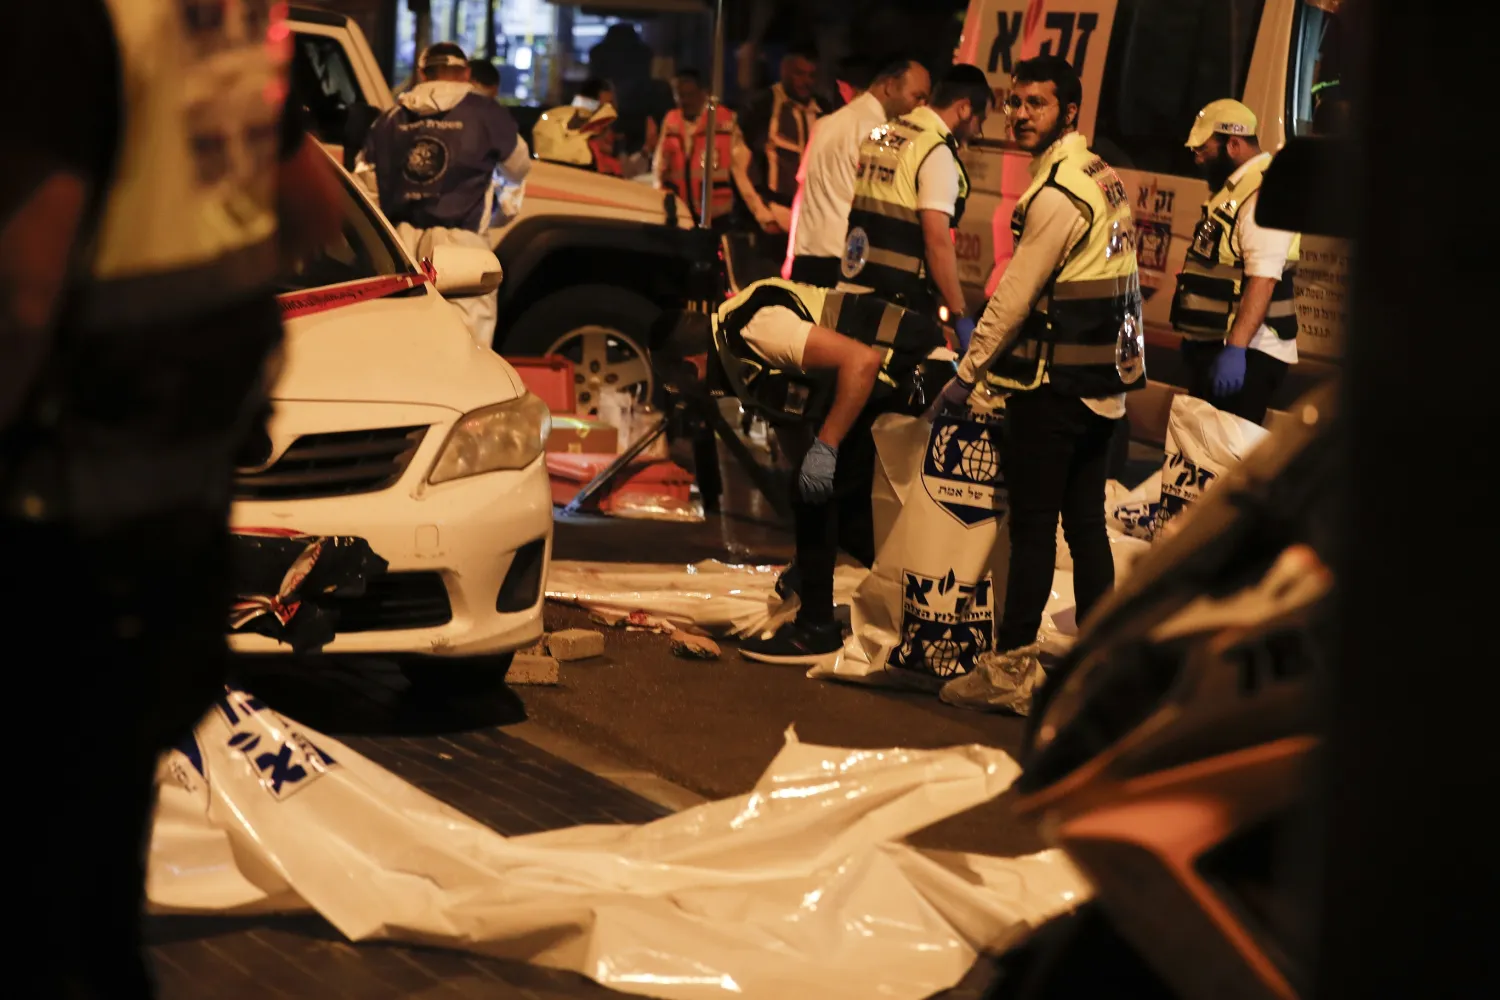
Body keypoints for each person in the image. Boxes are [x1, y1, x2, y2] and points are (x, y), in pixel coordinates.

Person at [1, 2, 342, 996]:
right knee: (97, 895)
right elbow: (311, 207)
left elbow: (26, 287)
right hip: (173, 531)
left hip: (56, 539)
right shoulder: (212, 16)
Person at [930, 55, 1145, 709]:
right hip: (1101, 383)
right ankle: (1099, 664)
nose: (1020, 114)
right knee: (1084, 526)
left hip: (1053, 386)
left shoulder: (1056, 193)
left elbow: (1014, 299)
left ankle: (1009, 671)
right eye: (1016, 102)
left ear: (1069, 111)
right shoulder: (1097, 174)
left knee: (1033, 530)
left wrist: (965, 376)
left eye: (1037, 104)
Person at [677, 278, 948, 663]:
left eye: (678, 388)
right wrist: (810, 554)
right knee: (839, 509)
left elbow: (862, 361)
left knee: (826, 492)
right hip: (900, 372)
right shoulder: (733, 347)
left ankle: (815, 630)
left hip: (913, 372)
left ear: (690, 369)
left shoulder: (753, 328)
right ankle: (930, 608)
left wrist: (825, 449)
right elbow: (790, 420)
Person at [354, 42, 531, 349]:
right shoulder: (487, 113)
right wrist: (498, 214)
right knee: (468, 347)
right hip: (465, 249)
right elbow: (518, 167)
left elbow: (365, 187)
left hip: (400, 247)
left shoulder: (390, 118)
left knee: (403, 343)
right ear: (466, 73)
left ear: (422, 73)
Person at [1170, 99, 1301, 425]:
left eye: (1204, 150)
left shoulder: (1261, 193)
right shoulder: (1235, 189)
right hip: (1221, 345)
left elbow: (1264, 278)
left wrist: (1236, 349)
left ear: (1233, 144)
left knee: (1226, 461)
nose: (1198, 159)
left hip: (1251, 353)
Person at [840, 63, 990, 342]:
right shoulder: (934, 150)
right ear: (965, 109)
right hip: (898, 300)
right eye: (980, 121)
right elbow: (937, 241)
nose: (978, 132)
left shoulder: (884, 133)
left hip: (853, 284)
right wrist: (960, 314)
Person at [785, 57, 932, 287]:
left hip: (806, 260)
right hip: (845, 265)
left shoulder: (825, 124)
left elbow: (802, 194)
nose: (922, 107)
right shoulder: (881, 134)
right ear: (890, 86)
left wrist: (790, 256)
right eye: (918, 96)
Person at [654, 68, 772, 231]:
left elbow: (741, 173)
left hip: (717, 218)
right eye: (679, 95)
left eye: (690, 95)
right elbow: (659, 170)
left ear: (704, 93)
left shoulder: (726, 122)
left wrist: (760, 213)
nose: (684, 101)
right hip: (680, 215)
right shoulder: (671, 122)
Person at [740, 48, 823, 254]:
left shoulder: (824, 110)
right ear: (784, 71)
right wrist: (762, 214)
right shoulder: (761, 107)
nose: (805, 81)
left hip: (812, 219)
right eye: (799, 73)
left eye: (811, 75)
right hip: (774, 215)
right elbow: (739, 166)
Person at [532, 77, 624, 174]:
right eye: (604, 106)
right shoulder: (553, 126)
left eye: (612, 104)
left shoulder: (615, 140)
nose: (610, 110)